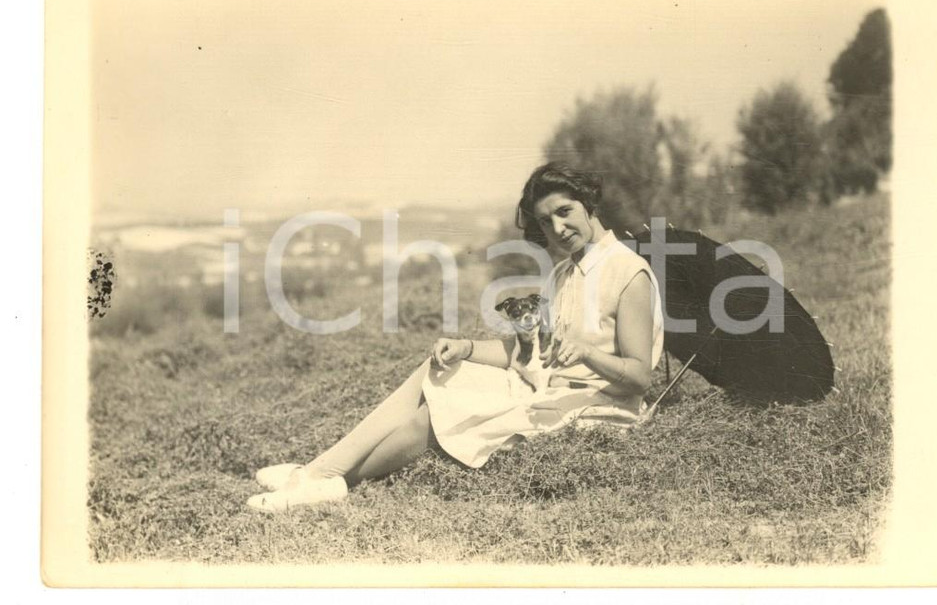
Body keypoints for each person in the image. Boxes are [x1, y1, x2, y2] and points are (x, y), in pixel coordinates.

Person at [247, 162, 665, 512]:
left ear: (588, 204)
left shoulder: (627, 272)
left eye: (565, 211)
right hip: (547, 389)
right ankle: (322, 473)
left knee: (437, 417)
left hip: (597, 408)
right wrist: (465, 347)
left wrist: (588, 353)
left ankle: (326, 479)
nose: (557, 227)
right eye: (544, 220)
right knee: (439, 370)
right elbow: (529, 352)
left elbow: (639, 377)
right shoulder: (564, 271)